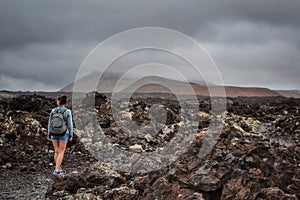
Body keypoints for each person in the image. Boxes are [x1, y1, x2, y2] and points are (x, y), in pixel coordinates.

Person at [48, 94, 73, 175]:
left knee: (56, 151)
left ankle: (58, 168)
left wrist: (49, 133)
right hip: (63, 133)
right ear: (65, 102)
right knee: (61, 152)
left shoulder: (53, 111)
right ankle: (57, 170)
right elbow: (70, 124)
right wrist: (71, 134)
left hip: (54, 133)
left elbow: (49, 123)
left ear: (58, 101)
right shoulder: (67, 111)